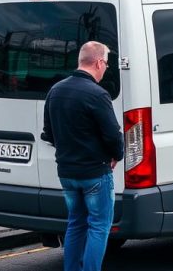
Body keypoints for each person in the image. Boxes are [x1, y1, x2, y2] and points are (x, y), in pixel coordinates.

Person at [42, 41, 124, 271]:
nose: (106, 68)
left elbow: (48, 133)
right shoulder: (98, 94)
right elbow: (112, 135)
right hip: (95, 173)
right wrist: (117, 155)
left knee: (76, 224)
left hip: (67, 173)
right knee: (99, 227)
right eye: (106, 63)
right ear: (98, 62)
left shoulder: (55, 90)